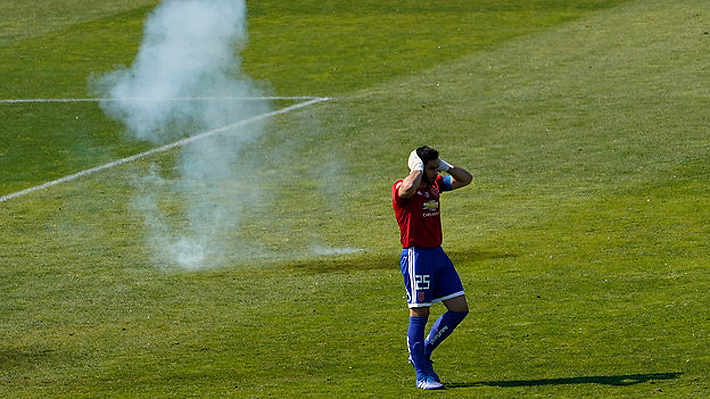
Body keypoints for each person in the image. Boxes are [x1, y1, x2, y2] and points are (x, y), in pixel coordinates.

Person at [391, 146, 473, 390]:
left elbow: (466, 179)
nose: (436, 171)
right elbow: (407, 188)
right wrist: (417, 168)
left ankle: (422, 351)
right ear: (418, 167)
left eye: (437, 166)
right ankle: (422, 375)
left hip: (438, 255)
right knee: (420, 313)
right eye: (431, 167)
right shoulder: (402, 188)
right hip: (417, 257)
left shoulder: (436, 184)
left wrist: (445, 167)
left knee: (459, 309)